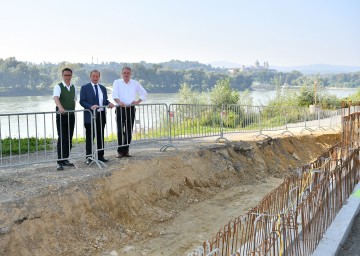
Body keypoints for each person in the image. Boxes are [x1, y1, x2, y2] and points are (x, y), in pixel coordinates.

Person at [80, 70, 114, 164]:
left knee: (100, 136)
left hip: (101, 115)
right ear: (90, 77)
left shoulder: (103, 88)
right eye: (93, 76)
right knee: (90, 137)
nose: (95, 78)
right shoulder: (84, 88)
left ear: (99, 77)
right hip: (90, 116)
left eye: (97, 76)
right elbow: (82, 101)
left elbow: (105, 100)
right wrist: (90, 106)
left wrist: (109, 103)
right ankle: (89, 157)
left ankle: (100, 156)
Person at [112, 67, 147, 158]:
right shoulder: (117, 82)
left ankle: (126, 151)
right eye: (124, 73)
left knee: (128, 131)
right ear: (121, 74)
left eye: (128, 73)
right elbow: (114, 94)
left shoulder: (135, 83)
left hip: (131, 109)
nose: (126, 74)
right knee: (120, 130)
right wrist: (119, 102)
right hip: (120, 108)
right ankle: (120, 151)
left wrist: (138, 101)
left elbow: (144, 93)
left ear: (130, 74)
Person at [53, 68, 77, 171]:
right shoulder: (58, 86)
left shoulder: (73, 87)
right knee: (62, 137)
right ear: (62, 76)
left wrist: (73, 110)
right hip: (61, 115)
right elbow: (56, 98)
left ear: (71, 76)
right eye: (65, 75)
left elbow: (74, 100)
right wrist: (60, 107)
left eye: (69, 75)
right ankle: (60, 162)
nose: (67, 77)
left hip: (71, 115)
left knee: (69, 137)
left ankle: (66, 159)